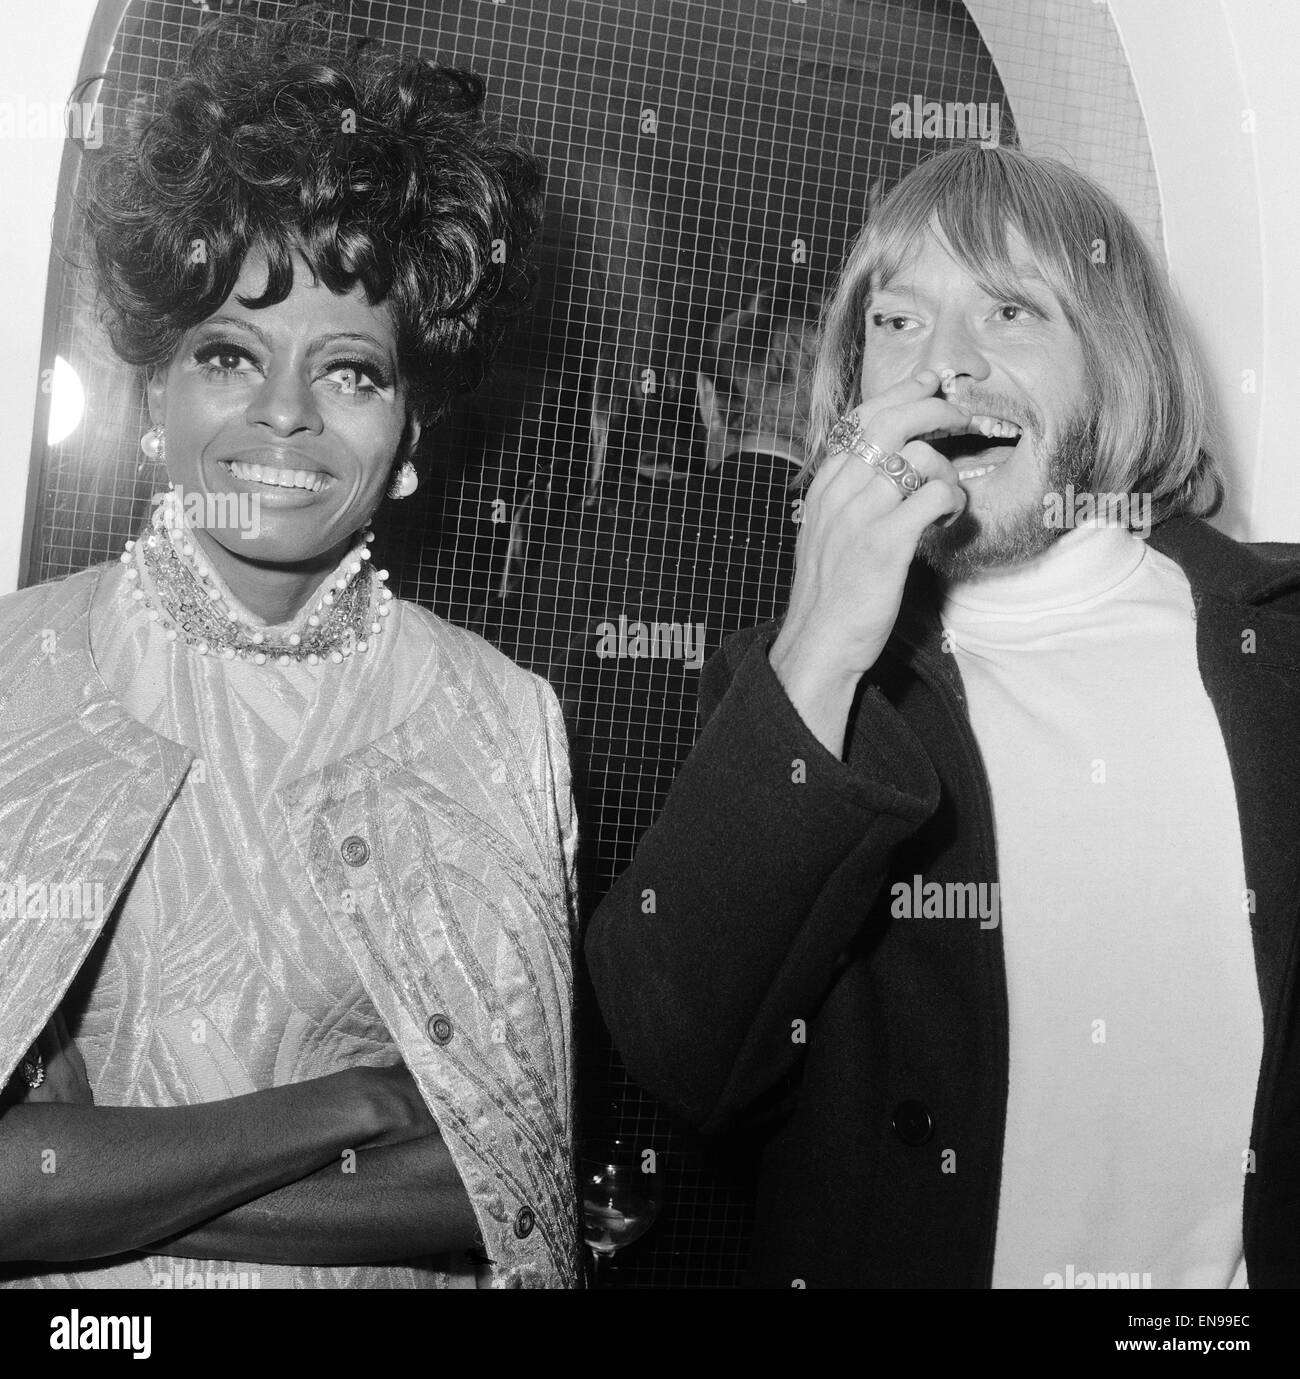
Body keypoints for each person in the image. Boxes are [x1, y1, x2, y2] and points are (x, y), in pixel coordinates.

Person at [585, 144, 1300, 1288]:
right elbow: (677, 1052)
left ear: (1114, 360)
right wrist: (816, 645)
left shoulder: (1277, 639)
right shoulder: (805, 690)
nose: (947, 368)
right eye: (899, 322)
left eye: (1009, 310)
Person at [0, 8, 579, 1289]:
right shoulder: (15, 678)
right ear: (153, 392)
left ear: (412, 421)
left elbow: (503, 1194)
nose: (282, 413)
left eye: (352, 372)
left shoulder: (497, 720)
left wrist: (103, 1175)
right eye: (228, 353)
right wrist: (354, 1109)